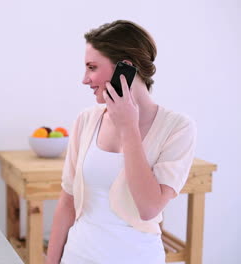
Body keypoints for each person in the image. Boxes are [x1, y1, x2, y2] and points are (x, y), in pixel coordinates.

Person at [46, 20, 196, 264]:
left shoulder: (178, 128)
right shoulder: (86, 120)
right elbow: (67, 202)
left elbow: (148, 208)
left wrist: (128, 128)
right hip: (77, 256)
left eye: (92, 67)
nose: (85, 79)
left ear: (124, 68)